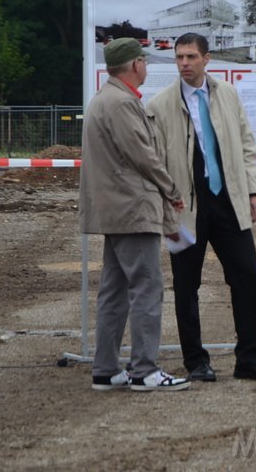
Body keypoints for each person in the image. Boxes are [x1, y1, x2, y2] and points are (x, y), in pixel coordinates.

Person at [147, 33, 256, 382]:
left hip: (228, 202)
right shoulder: (160, 105)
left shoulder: (228, 94)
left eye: (191, 56)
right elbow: (153, 160)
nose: (184, 63)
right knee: (186, 284)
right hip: (186, 207)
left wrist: (253, 192)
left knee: (248, 277)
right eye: (179, 57)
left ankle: (249, 360)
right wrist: (165, 206)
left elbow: (247, 145)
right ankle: (196, 362)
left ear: (207, 59)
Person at [79, 38, 189, 392]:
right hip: (132, 208)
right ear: (134, 64)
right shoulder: (122, 103)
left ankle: (107, 369)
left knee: (114, 288)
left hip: (117, 208)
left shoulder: (105, 98)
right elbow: (143, 156)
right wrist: (172, 189)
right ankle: (145, 369)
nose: (146, 65)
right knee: (147, 287)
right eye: (143, 59)